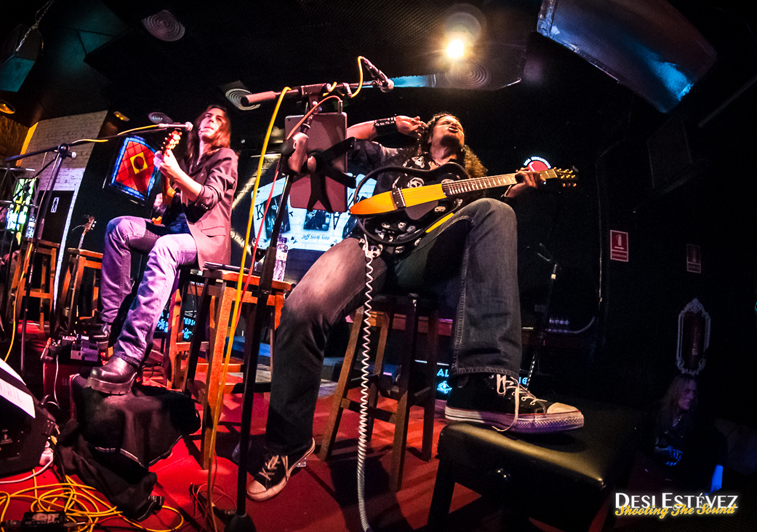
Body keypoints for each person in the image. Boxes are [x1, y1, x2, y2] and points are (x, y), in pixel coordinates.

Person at [246, 113, 584, 501]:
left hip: (424, 257)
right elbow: (339, 141)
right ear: (427, 132)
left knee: (497, 212)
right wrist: (390, 124)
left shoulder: (469, 181)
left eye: (460, 122)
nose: (454, 124)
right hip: (369, 244)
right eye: (445, 120)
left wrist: (513, 194)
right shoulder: (396, 156)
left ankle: (481, 382)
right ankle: (288, 444)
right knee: (302, 307)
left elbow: (480, 239)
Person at [87, 105, 238, 394]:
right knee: (118, 227)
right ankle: (110, 323)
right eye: (206, 115)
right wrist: (164, 201)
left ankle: (129, 355)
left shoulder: (226, 157)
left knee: (166, 247)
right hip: (176, 231)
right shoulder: (189, 160)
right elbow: (174, 205)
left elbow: (206, 198)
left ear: (223, 131)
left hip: (205, 240)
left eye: (218, 119)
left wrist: (176, 173)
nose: (210, 120)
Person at [652, 374, 727, 492]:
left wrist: (718, 472)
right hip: (652, 475)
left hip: (675, 483)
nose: (691, 396)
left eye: (694, 392)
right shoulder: (656, 414)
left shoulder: (695, 421)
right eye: (687, 391)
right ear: (676, 391)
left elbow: (720, 441)